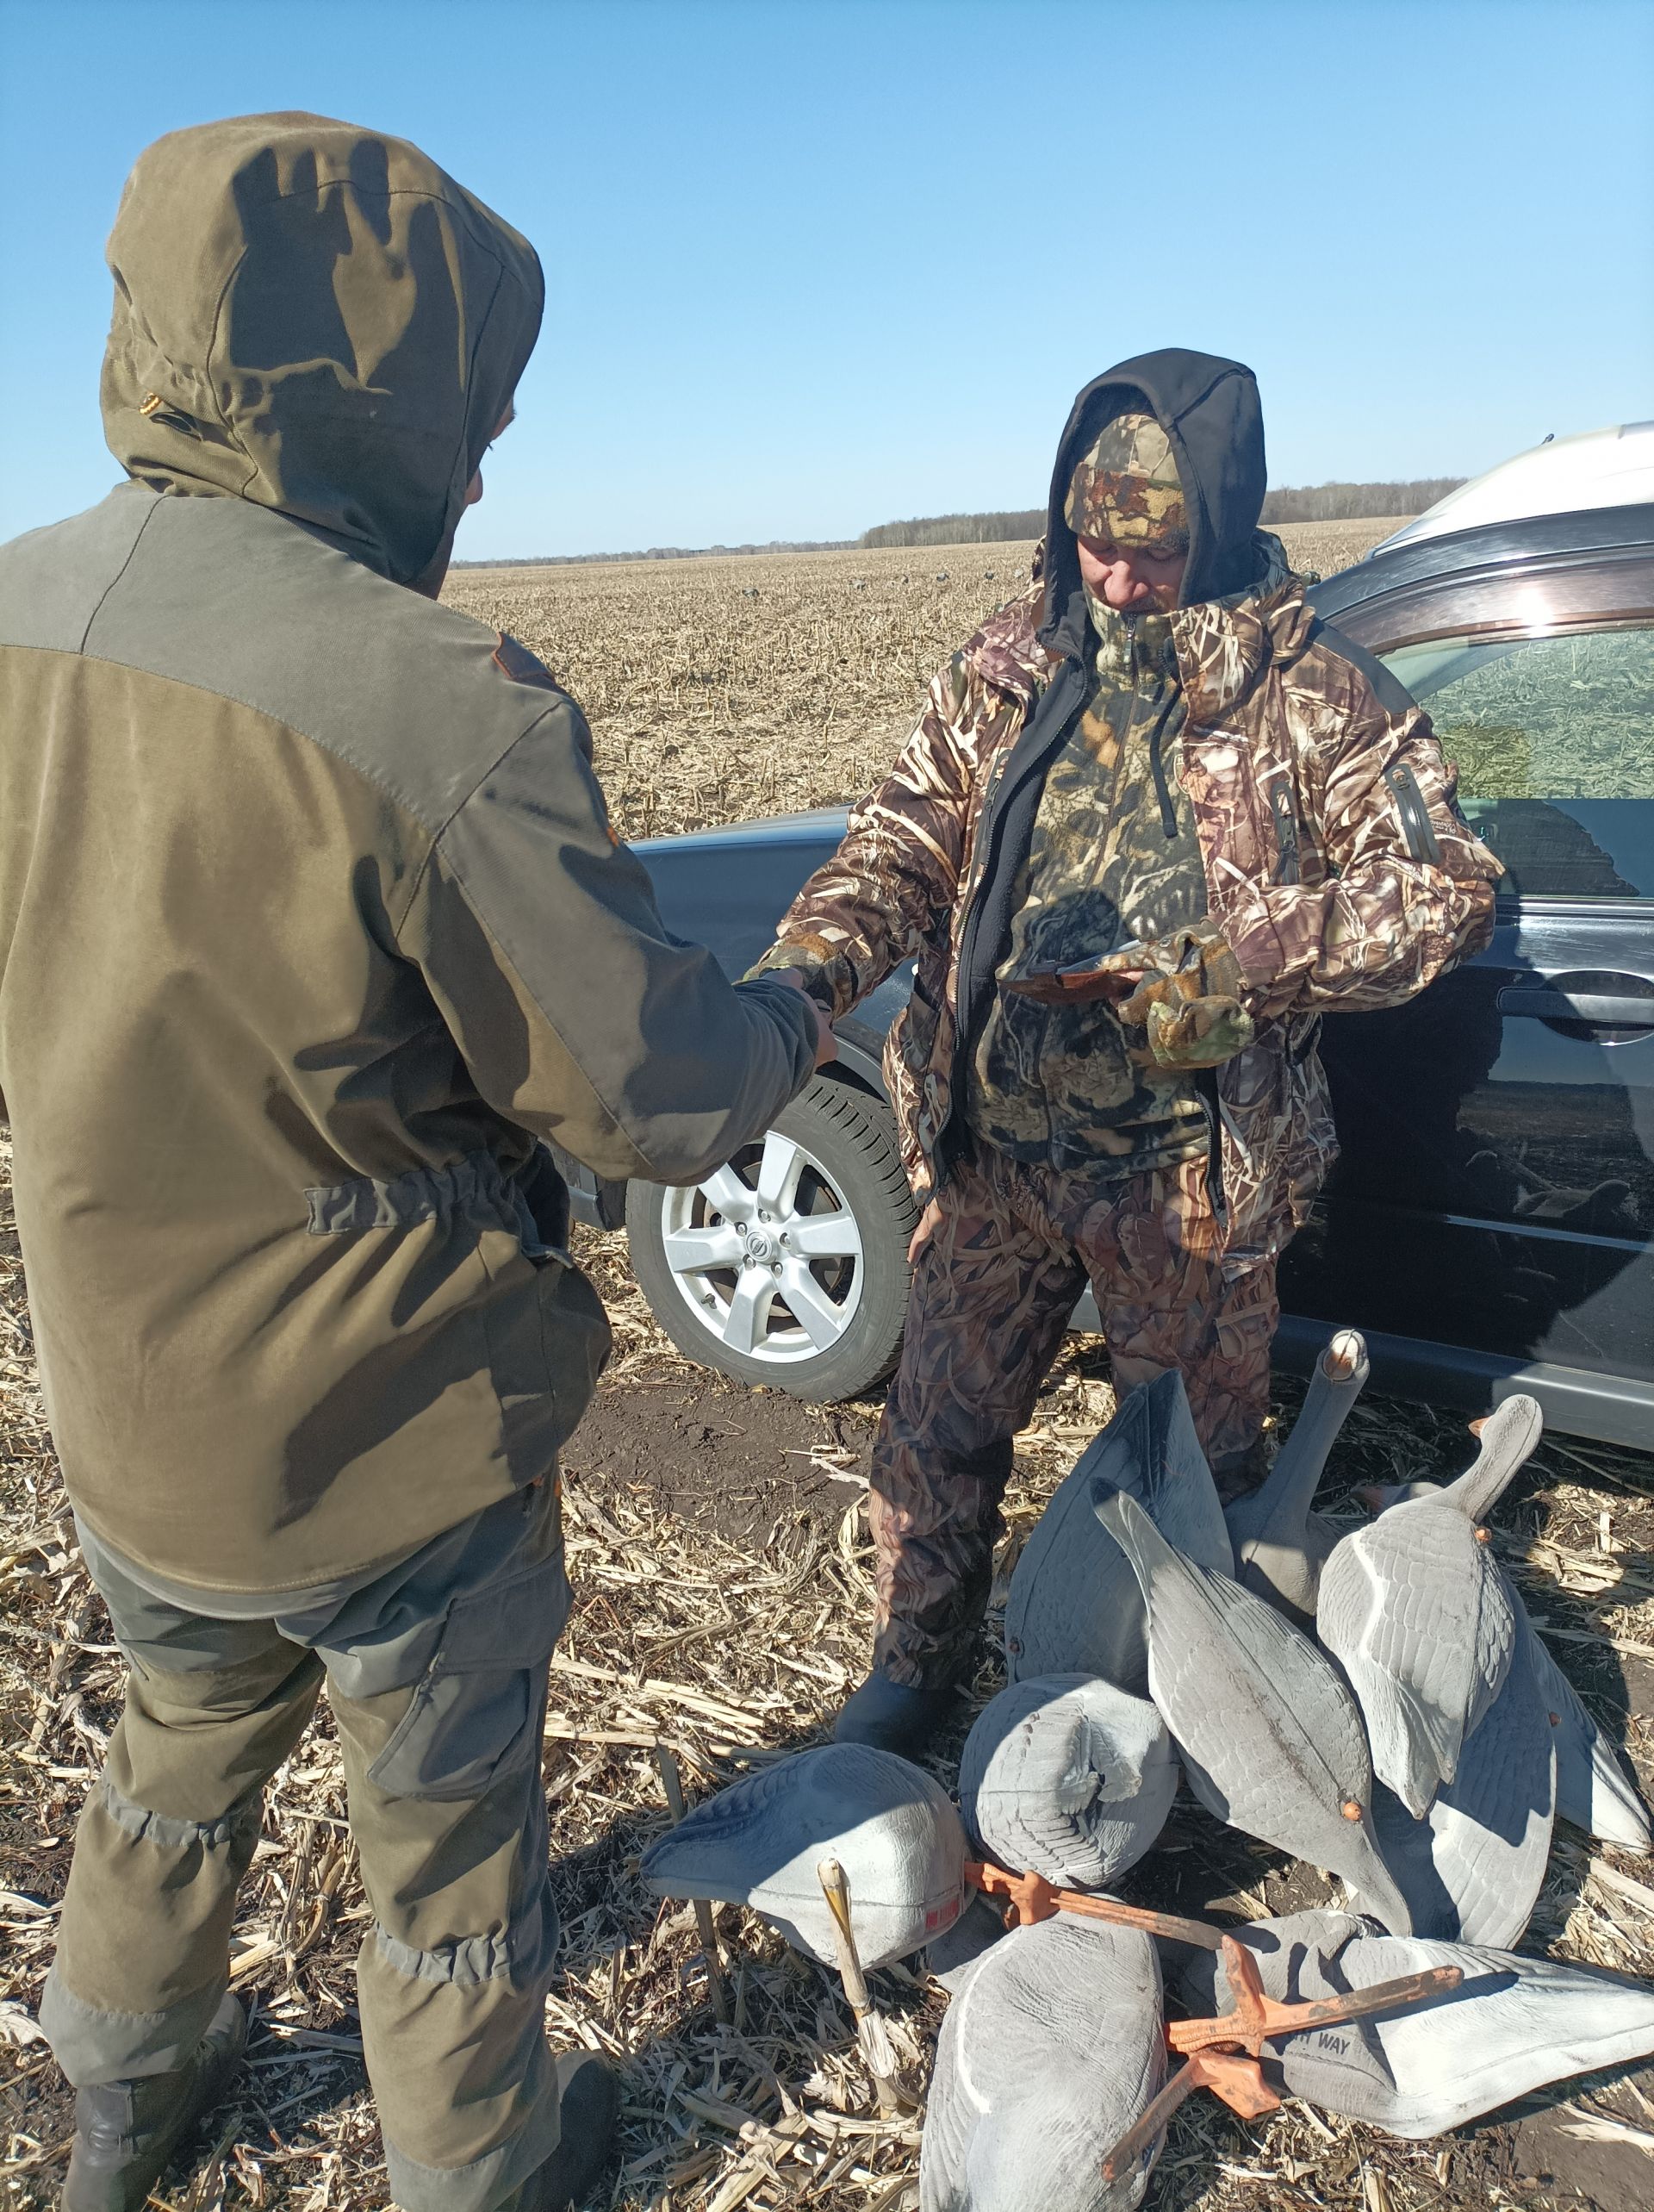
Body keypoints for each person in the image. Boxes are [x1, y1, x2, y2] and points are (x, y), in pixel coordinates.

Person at [0, 115, 831, 2212]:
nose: (479, 469)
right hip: (396, 1450)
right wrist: (805, 1018)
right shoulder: (432, 701)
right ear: (386, 383)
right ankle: (491, 2168)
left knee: (168, 1768)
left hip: (132, 1421)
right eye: (474, 407)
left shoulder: (14, 617)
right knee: (450, 1862)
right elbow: (649, 1097)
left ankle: (120, 2109)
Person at [750, 349, 1504, 1757]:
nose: (1112, 579)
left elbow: (1449, 888)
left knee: (1190, 1486)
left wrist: (1242, 956)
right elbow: (905, 838)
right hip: (992, 1155)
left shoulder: (1313, 697)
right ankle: (913, 1677)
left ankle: (1185, 1734)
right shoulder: (1009, 656)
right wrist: (806, 979)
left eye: (1148, 552)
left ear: (1214, 527)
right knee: (935, 1436)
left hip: (1186, 1191)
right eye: (1090, 543)